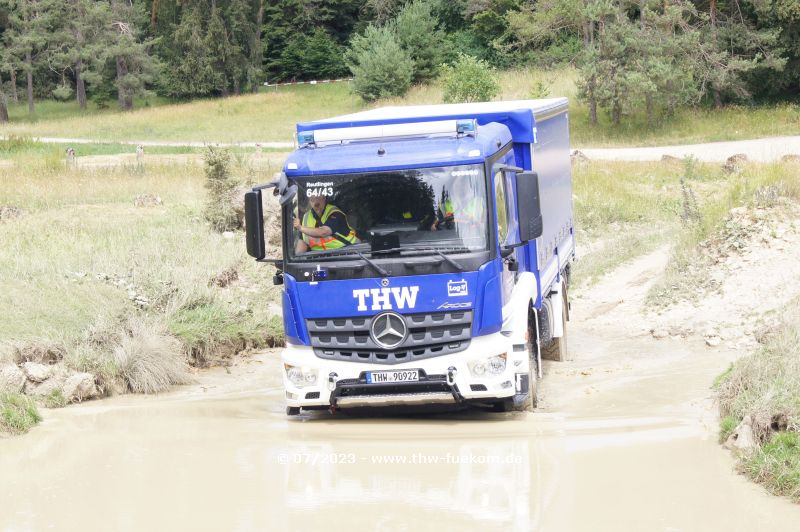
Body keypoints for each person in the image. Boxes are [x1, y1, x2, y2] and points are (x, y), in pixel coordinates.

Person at [294, 195, 358, 253]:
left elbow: (323, 232)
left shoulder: (335, 213)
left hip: (349, 253)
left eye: (318, 197)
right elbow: (302, 244)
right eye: (312, 199)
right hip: (319, 258)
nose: (316, 202)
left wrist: (300, 227)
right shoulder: (306, 217)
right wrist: (296, 260)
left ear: (324, 198)